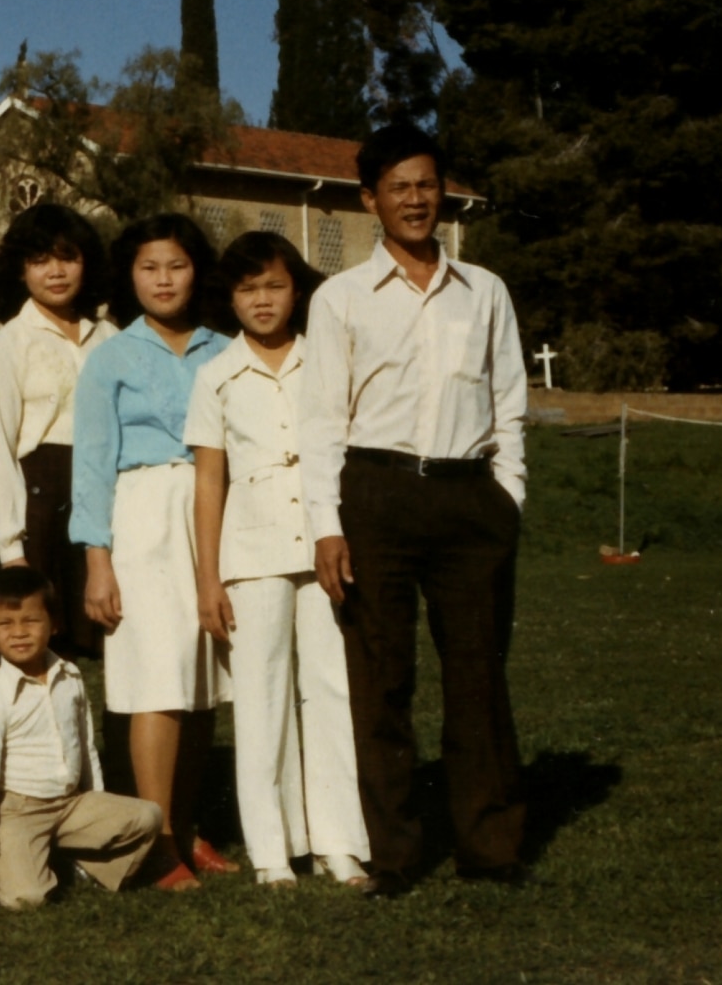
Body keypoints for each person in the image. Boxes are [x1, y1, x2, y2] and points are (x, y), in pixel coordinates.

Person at [300, 124, 529, 899]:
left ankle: (490, 847)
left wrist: (508, 499)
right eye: (398, 187)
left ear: (444, 192)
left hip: (471, 501)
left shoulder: (485, 291)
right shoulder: (338, 299)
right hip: (377, 498)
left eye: (427, 184)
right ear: (370, 200)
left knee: (477, 679)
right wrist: (327, 526)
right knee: (382, 682)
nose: (415, 200)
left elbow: (510, 407)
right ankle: (395, 855)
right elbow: (322, 420)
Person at [186, 232, 370, 888]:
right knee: (261, 700)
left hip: (325, 541)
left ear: (298, 289)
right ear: (228, 298)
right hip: (252, 550)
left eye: (274, 285)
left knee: (330, 689)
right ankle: (272, 849)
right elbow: (209, 483)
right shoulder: (215, 375)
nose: (262, 301)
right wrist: (208, 577)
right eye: (246, 288)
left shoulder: (328, 357)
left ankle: (339, 841)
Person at [70, 213, 233, 891]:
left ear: (198, 271)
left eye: (177, 265)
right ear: (128, 276)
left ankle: (188, 827)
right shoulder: (110, 354)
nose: (164, 280)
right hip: (142, 520)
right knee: (157, 683)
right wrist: (98, 560)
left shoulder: (226, 349)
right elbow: (93, 461)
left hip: (216, 514)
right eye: (148, 267)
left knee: (201, 683)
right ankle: (156, 842)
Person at [0, 565, 163, 909]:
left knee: (149, 817)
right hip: (20, 811)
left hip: (71, 803)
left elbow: (85, 746)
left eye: (31, 621)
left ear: (53, 624)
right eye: (6, 624)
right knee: (25, 898)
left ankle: (87, 866)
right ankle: (31, 859)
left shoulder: (70, 677)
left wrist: (98, 804)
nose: (19, 633)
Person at [0, 204, 117, 659]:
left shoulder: (112, 338)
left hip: (106, 494)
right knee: (45, 652)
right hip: (40, 501)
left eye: (67, 257)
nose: (55, 272)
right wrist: (11, 547)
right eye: (40, 261)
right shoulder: (7, 343)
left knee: (116, 643)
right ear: (20, 270)